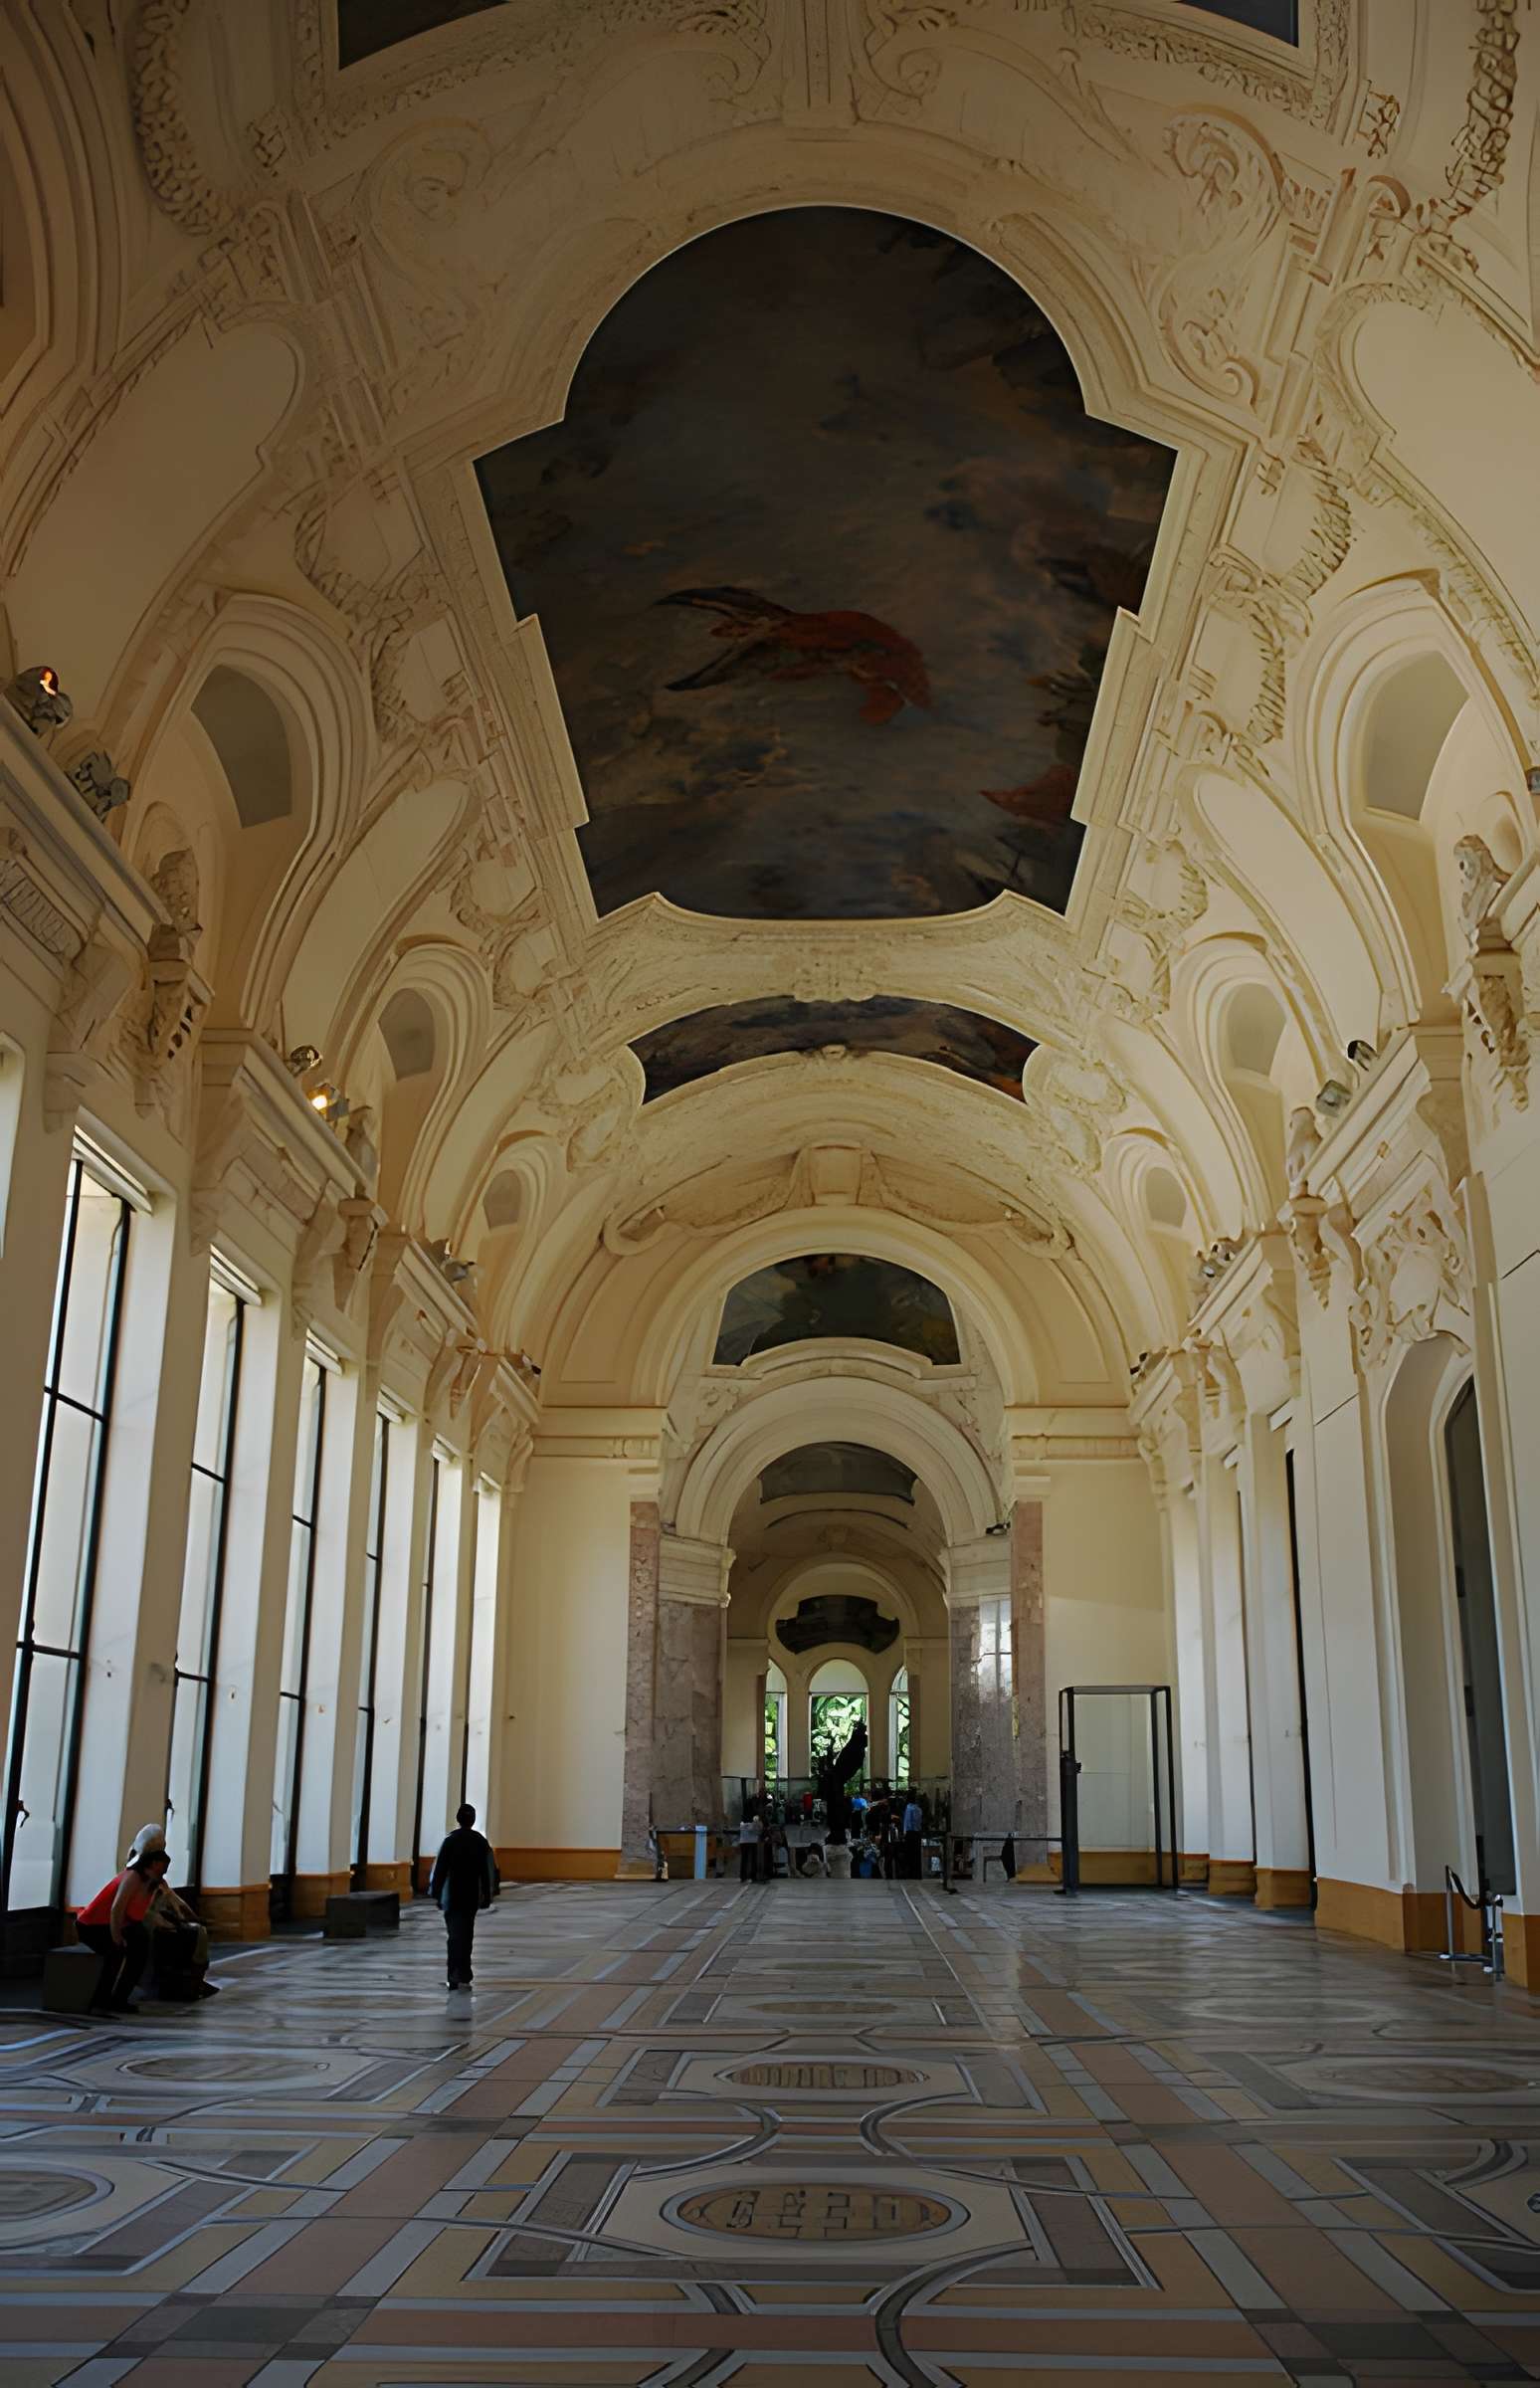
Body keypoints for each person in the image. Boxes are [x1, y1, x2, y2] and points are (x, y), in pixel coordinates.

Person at [125, 1825, 217, 2001]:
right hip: (145, 1924)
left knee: (198, 1932)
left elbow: (176, 1902)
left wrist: (192, 1917)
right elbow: (141, 1910)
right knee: (188, 1935)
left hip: (158, 1920)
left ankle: (194, 1981)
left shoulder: (157, 1883)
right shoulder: (136, 1881)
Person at [76, 1849, 171, 2014]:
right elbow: (116, 1909)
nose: (165, 1871)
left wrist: (152, 1886)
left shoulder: (150, 1883)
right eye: (163, 1867)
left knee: (141, 1946)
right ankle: (101, 2000)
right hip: (93, 1925)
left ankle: (120, 1997)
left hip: (116, 1923)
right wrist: (117, 1937)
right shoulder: (133, 1876)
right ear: (153, 1864)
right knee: (115, 1952)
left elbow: (135, 1913)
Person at [428, 1803, 497, 1990]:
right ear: (473, 1820)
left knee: (454, 1936)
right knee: (467, 1934)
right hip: (470, 1896)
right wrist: (487, 1895)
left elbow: (440, 1870)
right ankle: (465, 1973)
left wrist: (435, 1893)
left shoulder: (449, 1841)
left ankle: (454, 1974)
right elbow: (488, 1871)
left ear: (458, 1819)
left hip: (451, 1896)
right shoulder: (480, 1841)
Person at [901, 1788, 924, 1880]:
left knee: (910, 1855)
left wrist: (904, 1833)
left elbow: (907, 1822)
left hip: (910, 1834)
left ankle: (910, 1874)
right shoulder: (919, 1809)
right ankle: (917, 1874)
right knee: (916, 1855)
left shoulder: (909, 1808)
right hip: (917, 1833)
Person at [737, 1805, 760, 1884]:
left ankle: (743, 1876)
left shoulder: (742, 1820)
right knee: (753, 1859)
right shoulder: (755, 1818)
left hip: (743, 1841)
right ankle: (753, 1876)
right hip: (752, 1841)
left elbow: (741, 1829)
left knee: (744, 1859)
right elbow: (754, 1830)